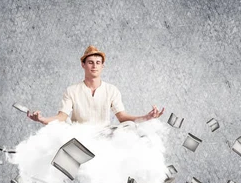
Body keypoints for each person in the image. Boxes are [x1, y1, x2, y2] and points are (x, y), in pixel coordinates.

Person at [27, 45, 165, 126]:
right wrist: (42, 119)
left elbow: (122, 117)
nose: (94, 66)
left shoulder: (111, 90)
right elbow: (62, 117)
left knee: (128, 128)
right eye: (90, 62)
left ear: (102, 66)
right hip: (79, 141)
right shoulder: (72, 90)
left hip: (104, 140)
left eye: (98, 62)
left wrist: (147, 117)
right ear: (83, 65)